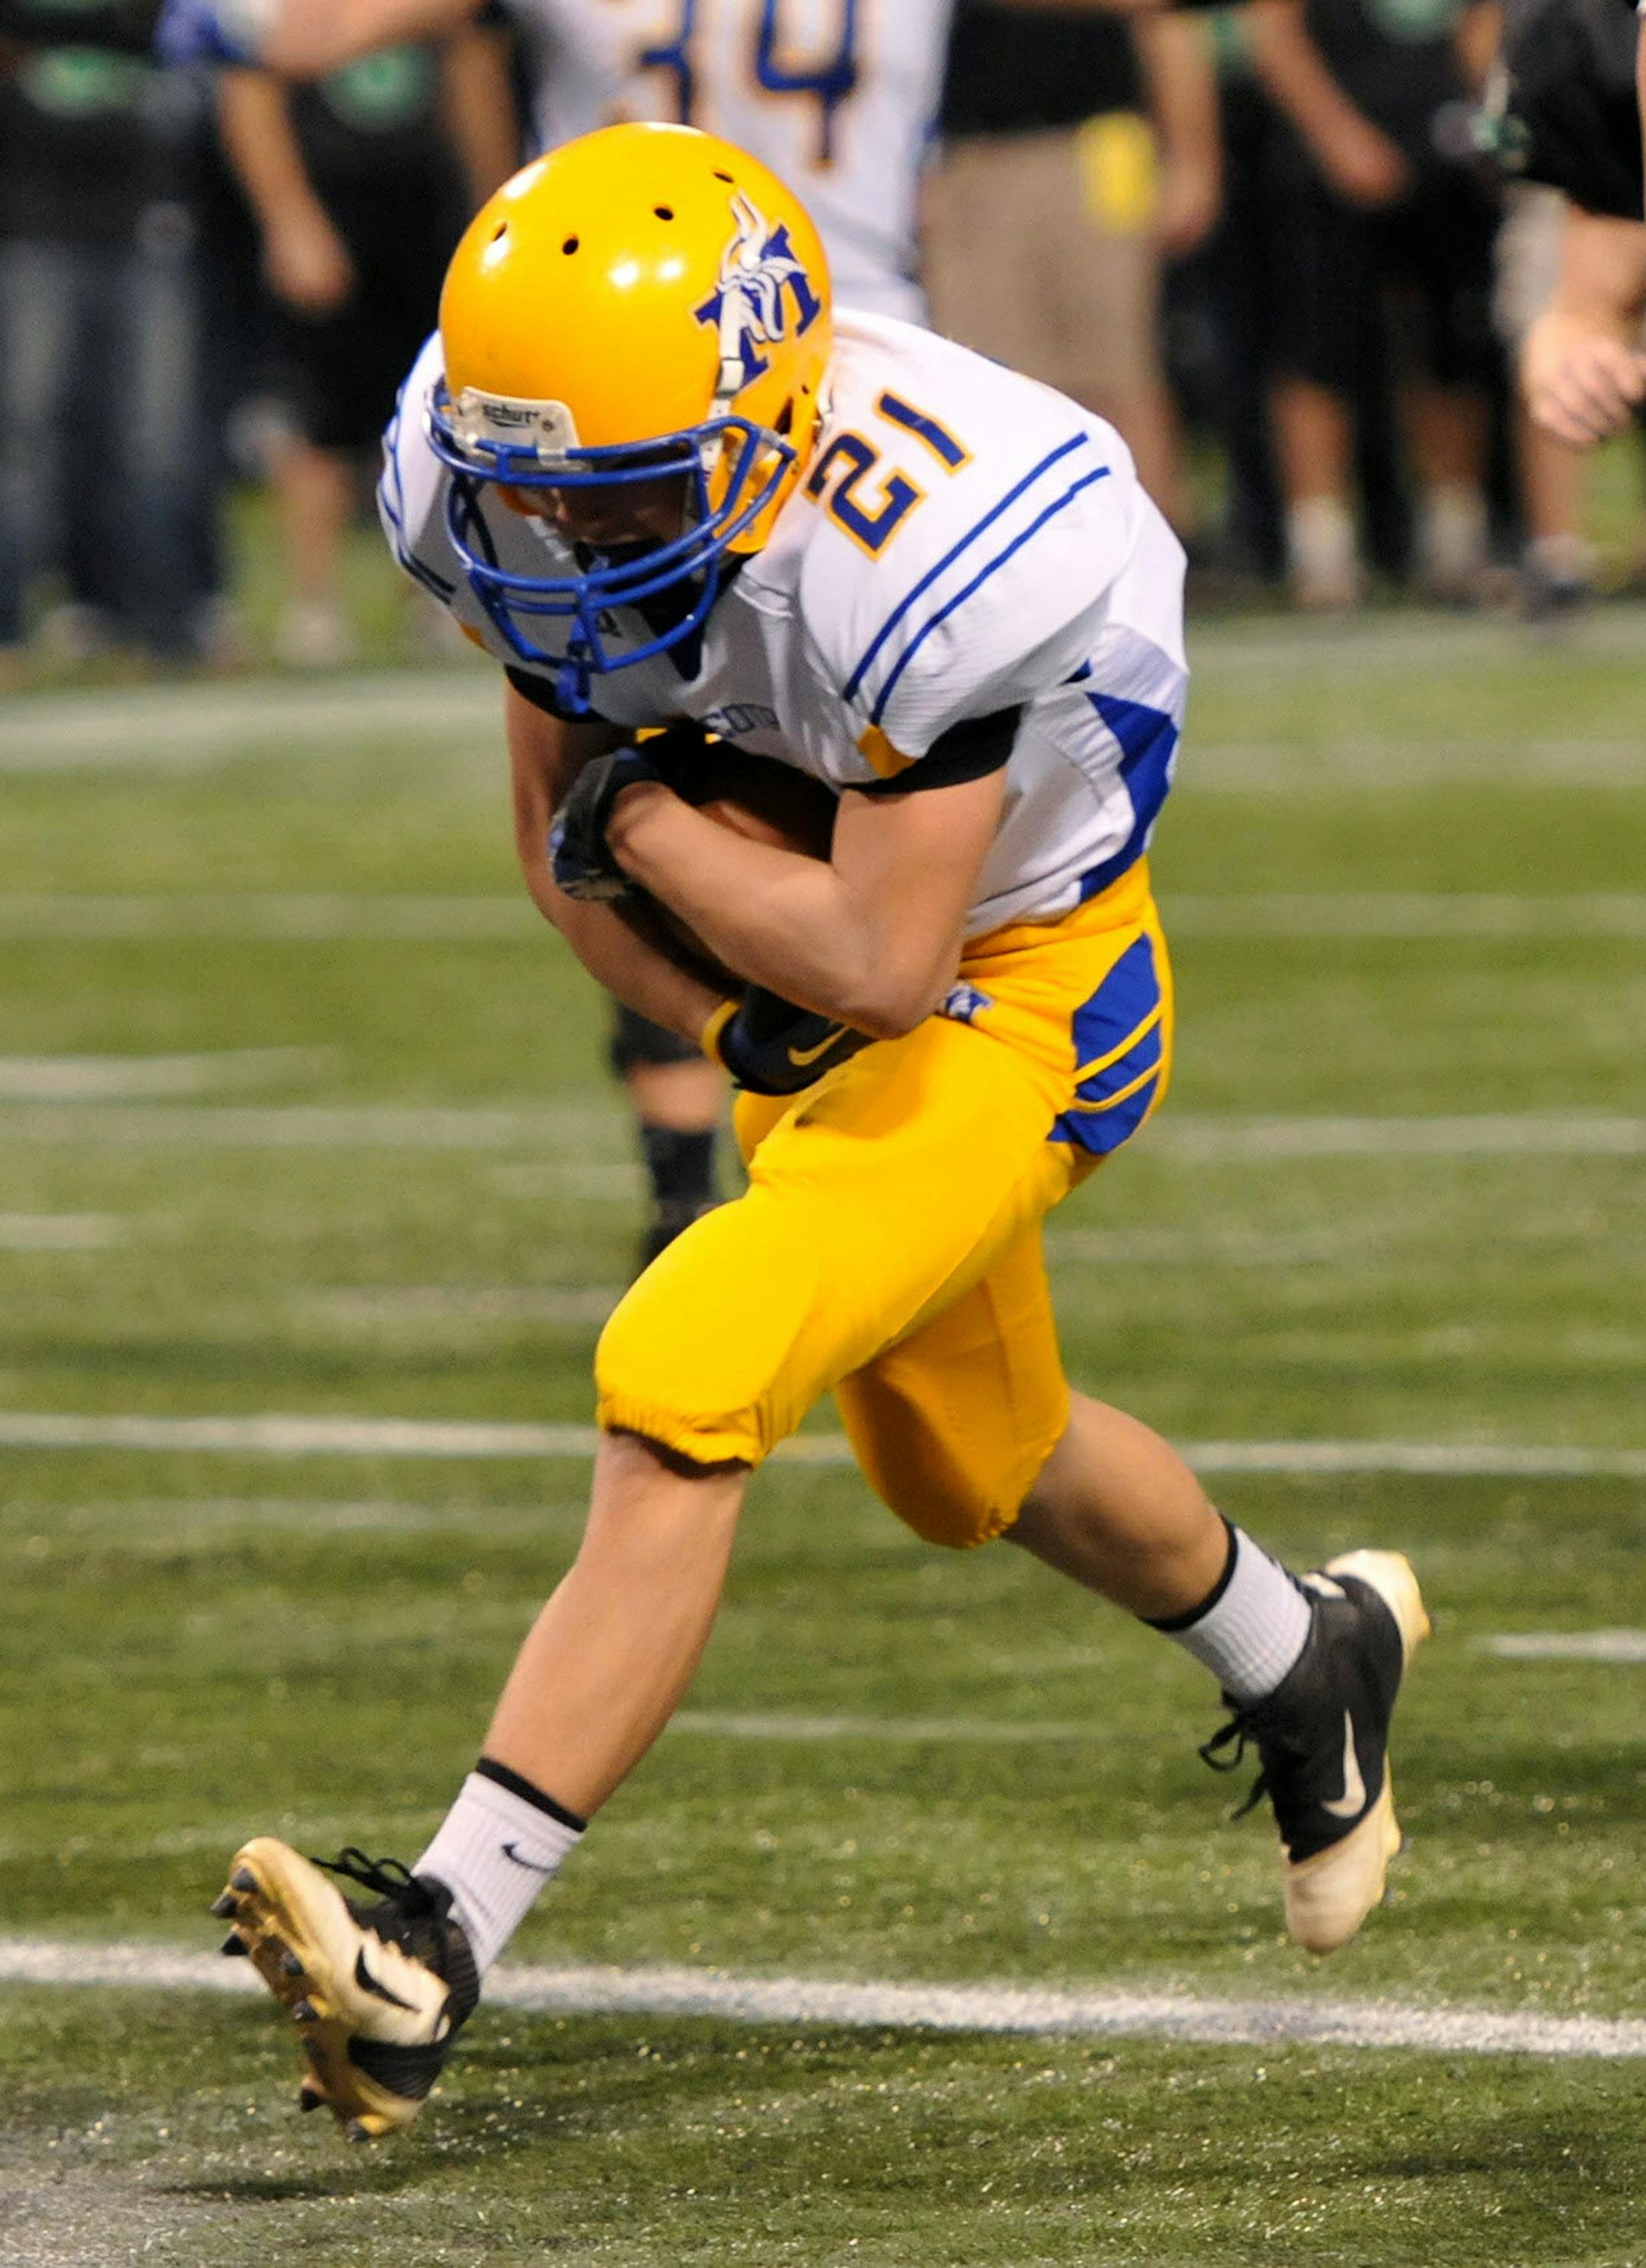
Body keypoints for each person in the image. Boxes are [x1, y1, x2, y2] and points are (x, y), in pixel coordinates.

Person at [212, 122, 1427, 2141]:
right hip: (822, 992)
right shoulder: (514, 468)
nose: (556, 555)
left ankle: (435, 1939)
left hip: (1020, 990)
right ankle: (1305, 1653)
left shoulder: (950, 547)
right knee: (973, 1462)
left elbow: (874, 957)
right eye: (535, 506)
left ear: (763, 434)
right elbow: (560, 863)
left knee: (685, 1360)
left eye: (613, 508)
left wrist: (661, 827)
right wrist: (718, 1014)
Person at [218, 27, 517, 665]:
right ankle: (315, 604)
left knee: (441, 408)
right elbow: (247, 76)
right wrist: (288, 217)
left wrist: (496, 205)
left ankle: (437, 596)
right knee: (315, 414)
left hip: (429, 205)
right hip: (330, 200)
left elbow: (474, 61)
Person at [924, 0, 1222, 534]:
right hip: (971, 154)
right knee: (988, 381)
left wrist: (1194, 157)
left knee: (1116, 368)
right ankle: (1019, 560)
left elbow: (1167, 20)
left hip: (1096, 144)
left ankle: (1148, 555)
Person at [1244, 0, 1504, 607]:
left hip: (1447, 148)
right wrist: (1336, 134)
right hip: (1326, 157)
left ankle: (1455, 538)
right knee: (1315, 351)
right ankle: (1322, 551)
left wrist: (1490, 126)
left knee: (1452, 349)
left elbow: (1487, 25)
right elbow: (1273, 31)